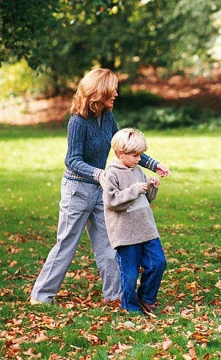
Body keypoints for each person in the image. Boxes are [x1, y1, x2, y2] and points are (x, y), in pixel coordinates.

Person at [29, 68, 170, 305]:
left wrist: (154, 164)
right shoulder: (78, 122)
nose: (116, 93)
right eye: (112, 89)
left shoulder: (107, 116)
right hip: (77, 191)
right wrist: (99, 173)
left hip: (101, 189)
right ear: (98, 91)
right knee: (66, 244)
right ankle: (41, 296)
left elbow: (124, 147)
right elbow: (72, 160)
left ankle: (115, 296)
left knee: (109, 244)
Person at [103, 128, 166, 316]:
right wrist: (135, 189)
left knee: (158, 263)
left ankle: (146, 298)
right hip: (125, 233)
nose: (139, 159)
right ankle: (130, 306)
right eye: (135, 155)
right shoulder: (112, 174)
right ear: (120, 153)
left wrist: (152, 188)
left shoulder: (138, 170)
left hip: (146, 229)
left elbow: (145, 198)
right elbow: (112, 202)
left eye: (140, 155)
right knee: (129, 274)